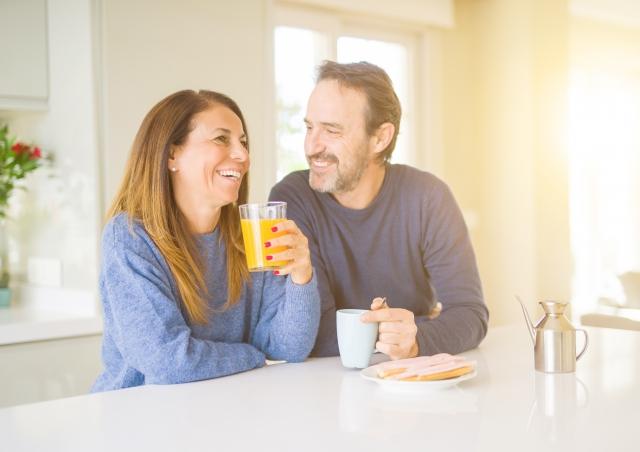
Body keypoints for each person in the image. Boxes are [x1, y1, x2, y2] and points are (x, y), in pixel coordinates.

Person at [92, 90, 320, 392]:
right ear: (172, 154)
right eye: (221, 139)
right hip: (140, 418)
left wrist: (301, 277)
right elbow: (168, 360)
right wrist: (252, 355)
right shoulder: (130, 239)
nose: (243, 156)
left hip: (222, 412)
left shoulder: (250, 236)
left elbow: (288, 347)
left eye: (243, 142)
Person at [270, 61, 488, 360]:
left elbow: (470, 315)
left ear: (380, 138)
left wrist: (416, 339)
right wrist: (419, 327)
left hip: (410, 383)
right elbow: (312, 333)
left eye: (331, 131)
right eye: (309, 127)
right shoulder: (292, 199)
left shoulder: (428, 197)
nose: (311, 146)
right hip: (324, 386)